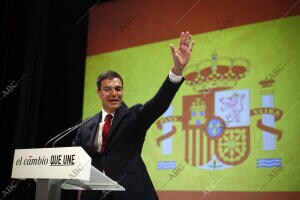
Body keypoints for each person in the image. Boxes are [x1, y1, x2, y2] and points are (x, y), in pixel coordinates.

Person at [73, 31, 194, 200]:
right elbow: (73, 160)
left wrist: (177, 70)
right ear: (98, 93)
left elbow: (158, 103)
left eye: (118, 89)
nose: (114, 93)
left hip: (130, 193)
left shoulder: (134, 117)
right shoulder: (86, 127)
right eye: (108, 89)